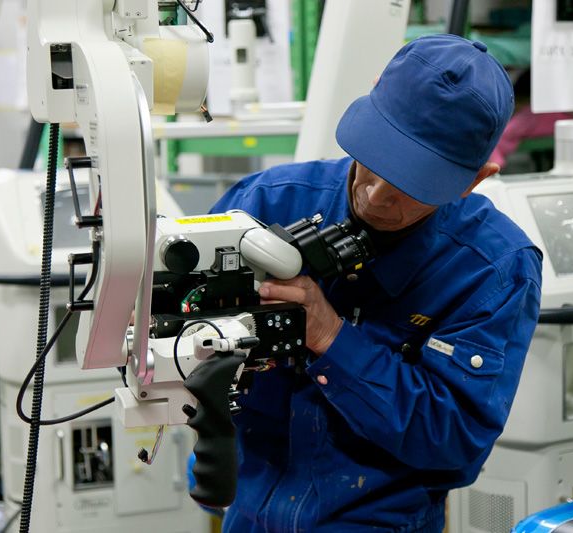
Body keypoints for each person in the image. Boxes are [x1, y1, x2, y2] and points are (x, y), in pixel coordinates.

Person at [209, 34, 543, 532]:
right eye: (377, 158)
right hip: (248, 513)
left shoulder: (491, 269)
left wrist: (330, 337)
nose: (378, 195)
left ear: (475, 179)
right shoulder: (265, 201)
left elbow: (454, 440)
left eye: (413, 183)